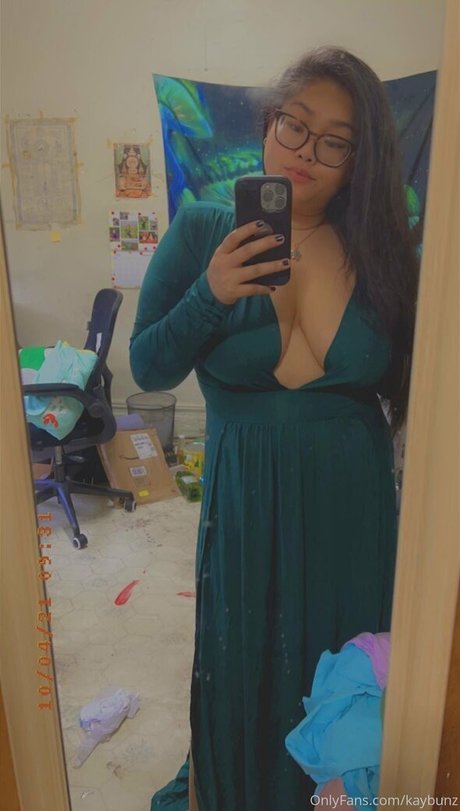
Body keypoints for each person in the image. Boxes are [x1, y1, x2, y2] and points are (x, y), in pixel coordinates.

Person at [129, 46, 418, 811]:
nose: (306, 151)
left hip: (353, 510)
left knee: (344, 671)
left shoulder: (382, 255)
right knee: (243, 663)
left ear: (358, 162)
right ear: (268, 124)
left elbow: (416, 387)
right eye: (295, 125)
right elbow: (149, 365)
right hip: (245, 505)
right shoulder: (201, 231)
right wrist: (211, 293)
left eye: (335, 141)